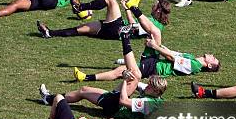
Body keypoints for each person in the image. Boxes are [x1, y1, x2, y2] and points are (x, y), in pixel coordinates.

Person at [57, 25, 167, 119]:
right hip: (114, 102)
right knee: (83, 90)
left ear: (156, 92)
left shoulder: (148, 104)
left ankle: (125, 37)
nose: (147, 86)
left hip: (115, 109)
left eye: (150, 86)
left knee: (136, 75)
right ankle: (51, 98)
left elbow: (123, 101)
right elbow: (139, 86)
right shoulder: (155, 96)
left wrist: (125, 80)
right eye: (149, 83)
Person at [37, 0, 168, 46]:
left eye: (154, 5)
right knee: (80, 29)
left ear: (158, 10)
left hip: (117, 30)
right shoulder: (152, 20)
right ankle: (49, 33)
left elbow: (132, 26)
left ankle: (80, 7)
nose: (152, 6)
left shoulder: (155, 26)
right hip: (113, 29)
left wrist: (127, 9)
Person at [74, 36, 220, 82]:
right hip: (155, 62)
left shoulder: (194, 66)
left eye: (214, 60)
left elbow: (170, 58)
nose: (213, 56)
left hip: (155, 68)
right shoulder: (192, 58)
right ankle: (131, 11)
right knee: (154, 32)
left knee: (121, 71)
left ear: (209, 66)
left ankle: (86, 77)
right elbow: (172, 52)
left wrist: (155, 47)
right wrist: (158, 45)